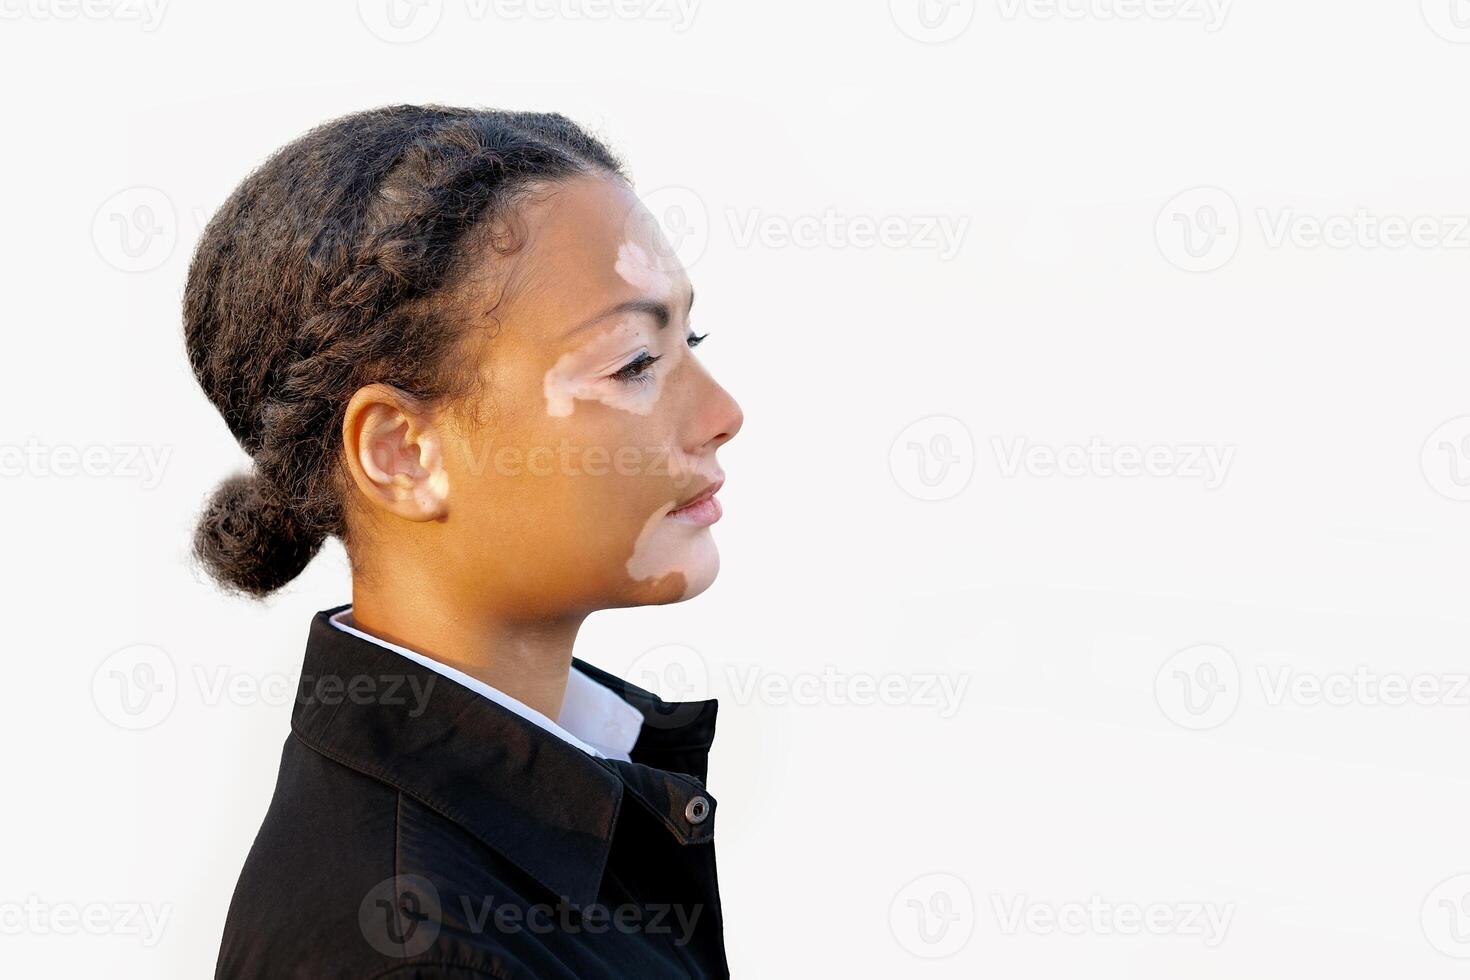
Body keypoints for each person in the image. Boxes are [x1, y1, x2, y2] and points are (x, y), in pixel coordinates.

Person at [184, 104, 743, 978]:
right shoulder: (413, 950)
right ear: (403, 453)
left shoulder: (563, 803)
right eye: (635, 362)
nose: (722, 415)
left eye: (690, 338)